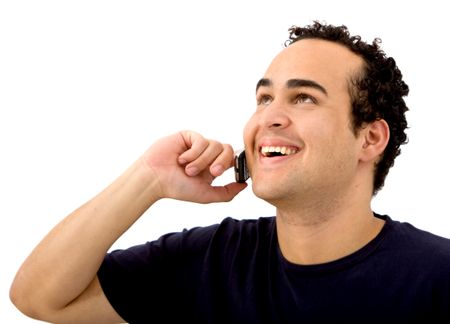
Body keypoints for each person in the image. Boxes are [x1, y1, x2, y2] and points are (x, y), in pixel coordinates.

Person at [10, 21, 450, 323]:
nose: (269, 118)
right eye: (264, 99)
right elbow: (38, 298)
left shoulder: (436, 278)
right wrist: (149, 180)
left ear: (370, 139)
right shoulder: (213, 261)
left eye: (304, 99)